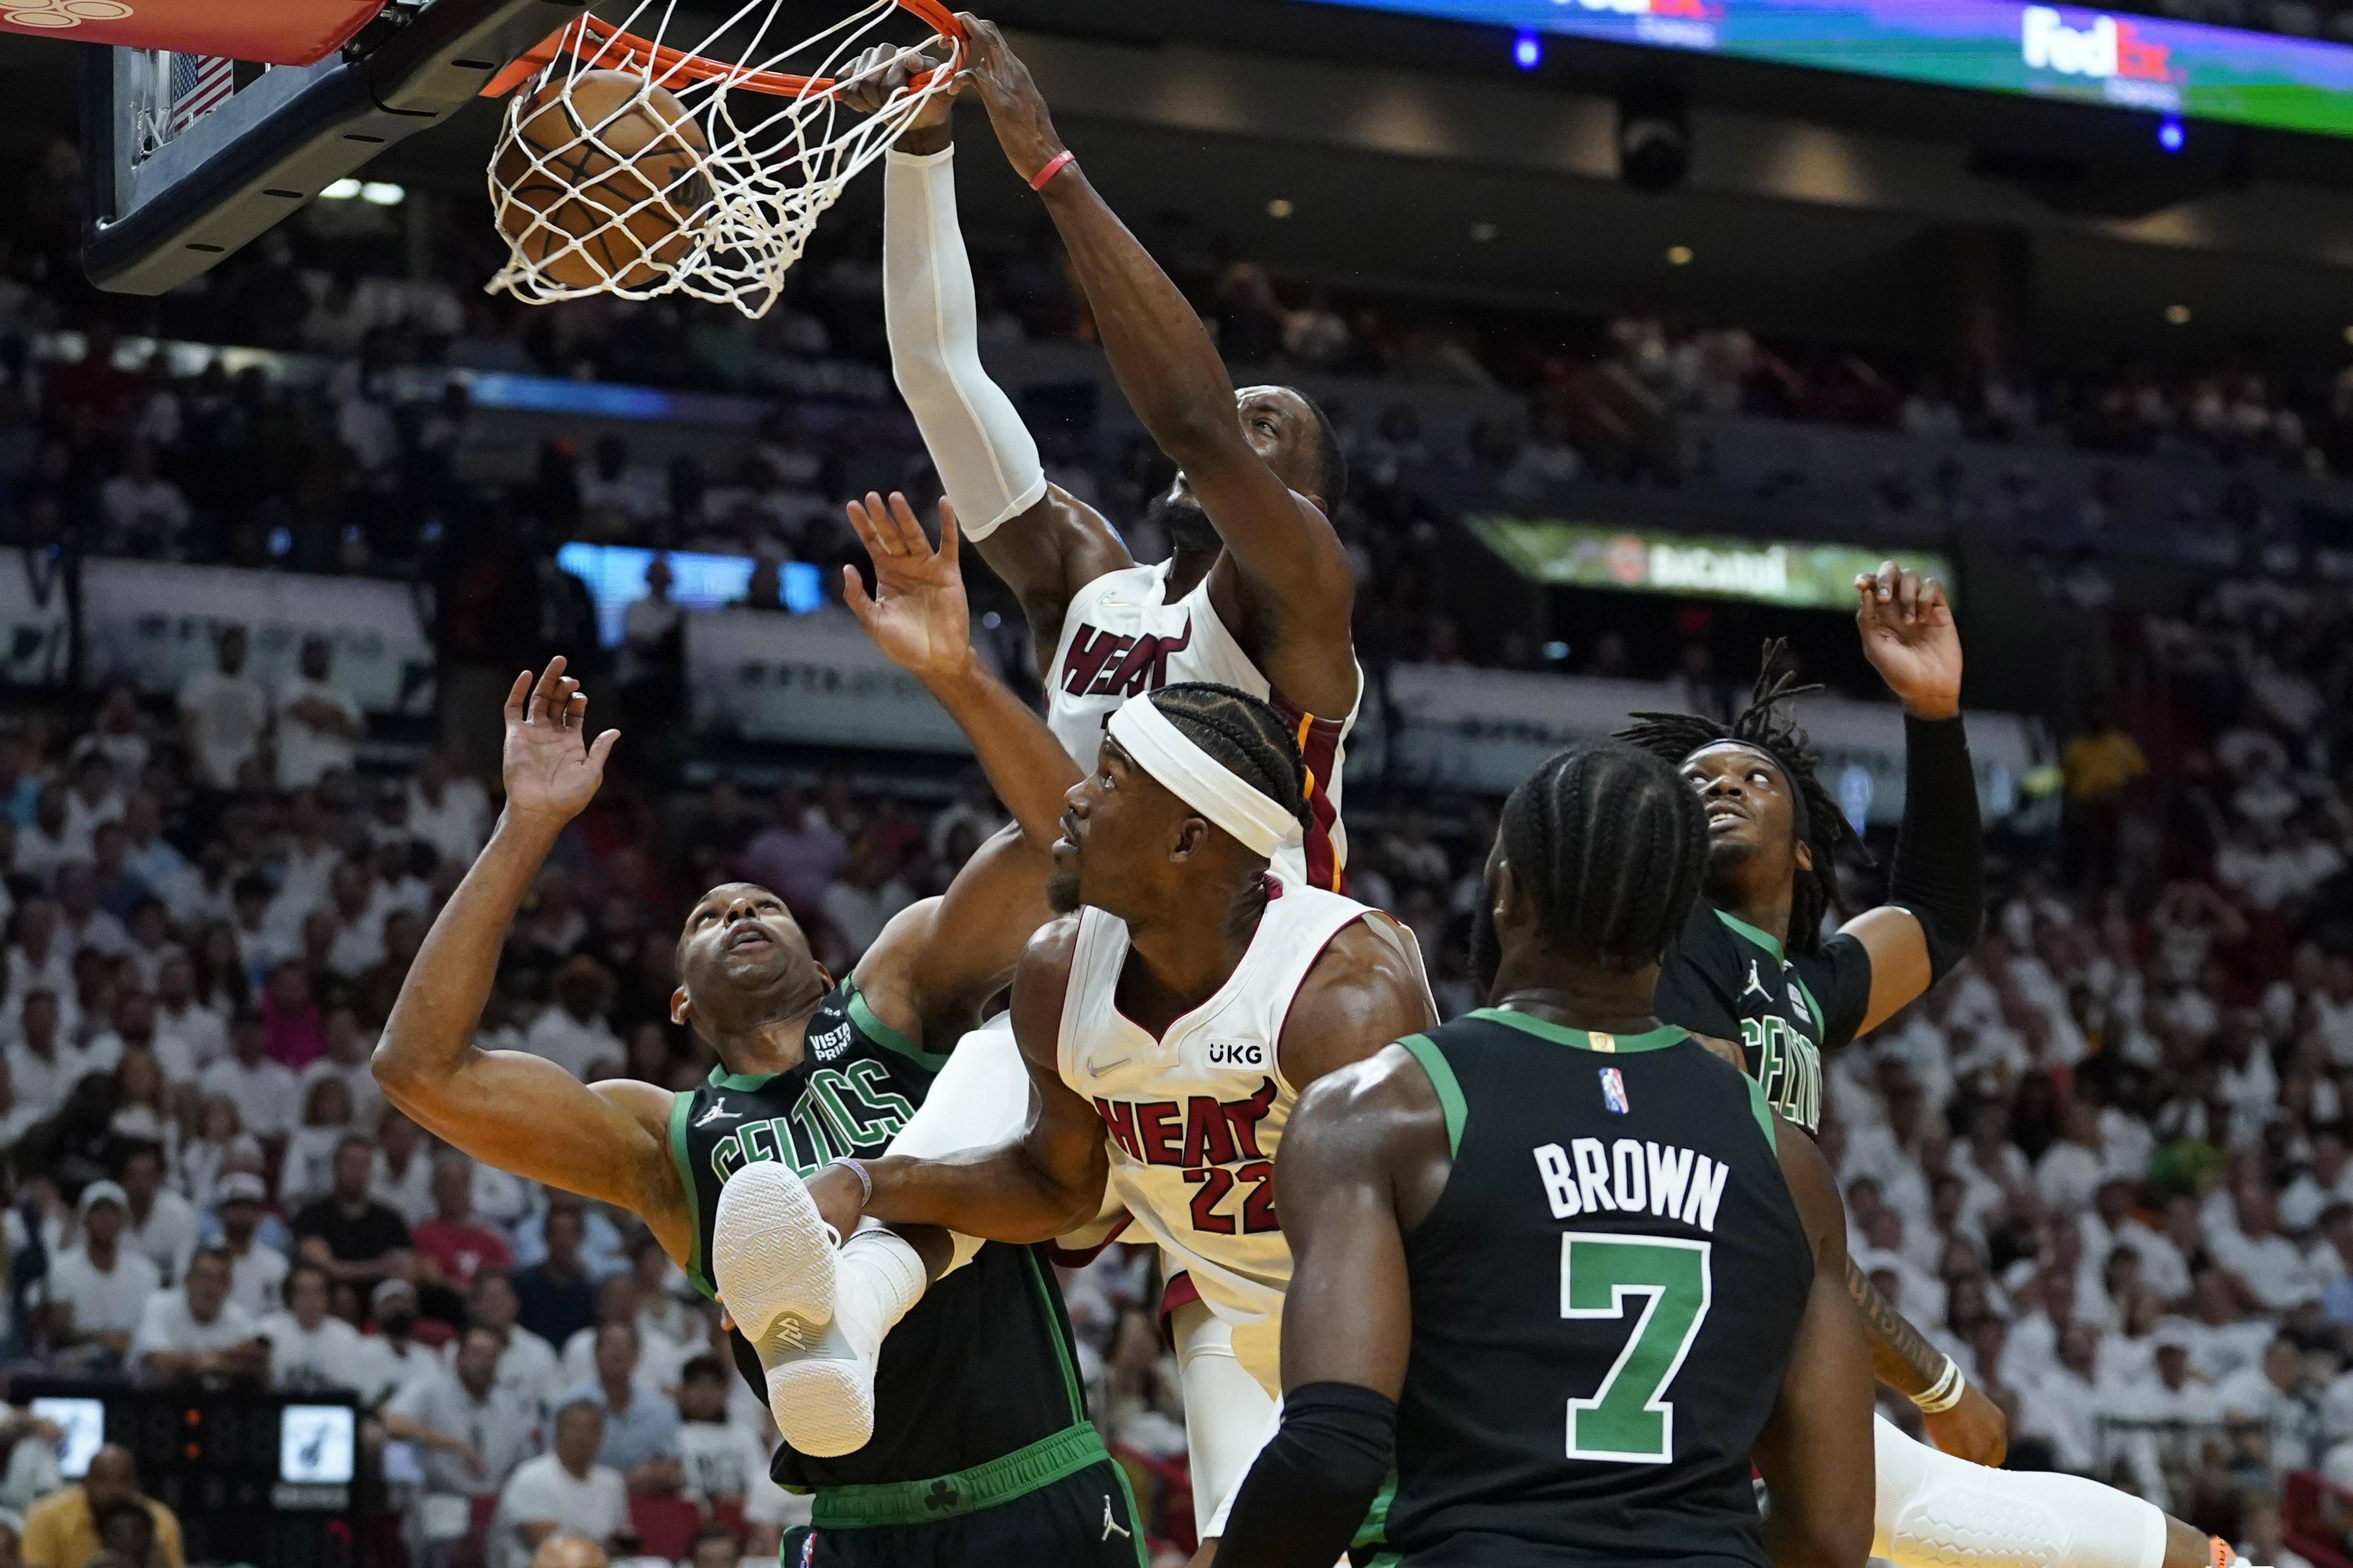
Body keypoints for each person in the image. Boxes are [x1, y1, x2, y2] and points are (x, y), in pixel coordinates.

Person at [374, 638, 1144, 1563]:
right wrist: (529, 825)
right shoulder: (665, 1140)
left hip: (1032, 1478)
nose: (739, 913)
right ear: (681, 1003)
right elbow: (420, 1070)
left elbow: (1059, 841)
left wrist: (954, 672)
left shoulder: (898, 997)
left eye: (763, 905)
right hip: (862, 1522)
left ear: (820, 968)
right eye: (707, 916)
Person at [1618, 567, 2242, 1568]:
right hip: (1679, 1373)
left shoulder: (1801, 988)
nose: (1720, 784)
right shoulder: (1668, 937)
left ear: (1810, 854)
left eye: (1752, 777)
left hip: (1766, 1374)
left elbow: (1940, 917)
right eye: (1696, 782)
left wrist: (1933, 712)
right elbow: (1739, 1189)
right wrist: (1937, 1385)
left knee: (2145, 1548)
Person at [732, 665, 1432, 1548]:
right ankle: (853, 1307)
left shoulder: (1340, 996)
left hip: (1406, 1390)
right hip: (1276, 1367)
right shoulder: (1061, 969)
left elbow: (1430, 1260)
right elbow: (1054, 1187)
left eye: (1109, 778)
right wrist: (866, 1182)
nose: (1073, 800)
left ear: (1185, 841)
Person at [1210, 744, 1874, 1568]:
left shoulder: (1382, 1112)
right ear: (1677, 921)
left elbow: (1330, 1453)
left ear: (1503, 892)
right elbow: (1833, 1532)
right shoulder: (1788, 1161)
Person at [846, 23, 1360, 889]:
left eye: (1263, 426)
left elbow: (1196, 424)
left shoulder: (1301, 592)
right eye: (1240, 412)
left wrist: (1049, 163)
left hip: (1265, 977)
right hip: (1092, 965)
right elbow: (938, 375)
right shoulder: (1092, 586)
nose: (1233, 428)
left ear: (1306, 500)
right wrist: (922, 146)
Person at [384, 1326, 542, 1524]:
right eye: (477, 1354)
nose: (484, 1363)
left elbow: (525, 1459)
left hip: (497, 1505)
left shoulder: (510, 1403)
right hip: (444, 1499)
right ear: (459, 1357)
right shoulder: (431, 1388)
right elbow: (393, 1423)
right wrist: (456, 1445)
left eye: (492, 1356)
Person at [491, 1400, 628, 1568]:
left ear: (601, 1437)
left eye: (590, 1429)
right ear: (557, 1433)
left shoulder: (612, 1482)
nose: (582, 1436)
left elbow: (622, 1542)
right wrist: (603, 1547)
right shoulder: (531, 1476)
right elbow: (548, 1547)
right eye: (574, 1428)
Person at [558, 1321, 680, 1494]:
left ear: (638, 1355)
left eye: (625, 1345)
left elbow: (673, 1467)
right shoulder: (569, 1405)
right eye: (609, 1343)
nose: (617, 1351)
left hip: (645, 1504)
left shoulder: (661, 1410)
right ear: (595, 1353)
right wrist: (621, 1484)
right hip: (580, 1497)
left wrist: (656, 1473)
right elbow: (555, 1464)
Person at [45, 1183, 163, 1364]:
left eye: (113, 1212)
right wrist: (103, 1339)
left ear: (124, 1220)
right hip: (77, 1366)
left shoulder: (147, 1272)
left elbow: (150, 1329)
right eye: (98, 1211)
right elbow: (61, 1331)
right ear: (85, 1218)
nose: (105, 1219)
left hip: (131, 1366)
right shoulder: (61, 1268)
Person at [18, 1445, 183, 1568]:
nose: (114, 1490)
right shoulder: (45, 1515)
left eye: (123, 1480)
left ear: (136, 1485)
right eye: (103, 1480)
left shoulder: (159, 1521)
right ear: (85, 1483)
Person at [127, 1247, 266, 1384]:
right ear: (187, 1280)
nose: (211, 1287)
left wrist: (195, 1362)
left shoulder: (240, 1316)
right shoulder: (158, 1305)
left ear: (230, 1286)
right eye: (204, 1277)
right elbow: (160, 1363)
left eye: (221, 1279)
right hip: (153, 1400)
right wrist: (225, 1357)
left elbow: (257, 1365)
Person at [291, 1134, 412, 1288]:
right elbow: (327, 1268)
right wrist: (379, 1268)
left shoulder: (391, 1219)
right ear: (336, 1166)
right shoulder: (312, 1216)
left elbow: (403, 1267)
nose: (357, 1171)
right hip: (331, 1294)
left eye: (364, 1164)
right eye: (350, 1163)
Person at [175, 625, 268, 794]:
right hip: (207, 776)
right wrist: (196, 764)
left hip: (243, 781)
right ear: (221, 648)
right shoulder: (198, 683)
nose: (234, 653)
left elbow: (259, 734)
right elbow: (186, 727)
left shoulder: (254, 691)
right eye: (231, 648)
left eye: (239, 649)